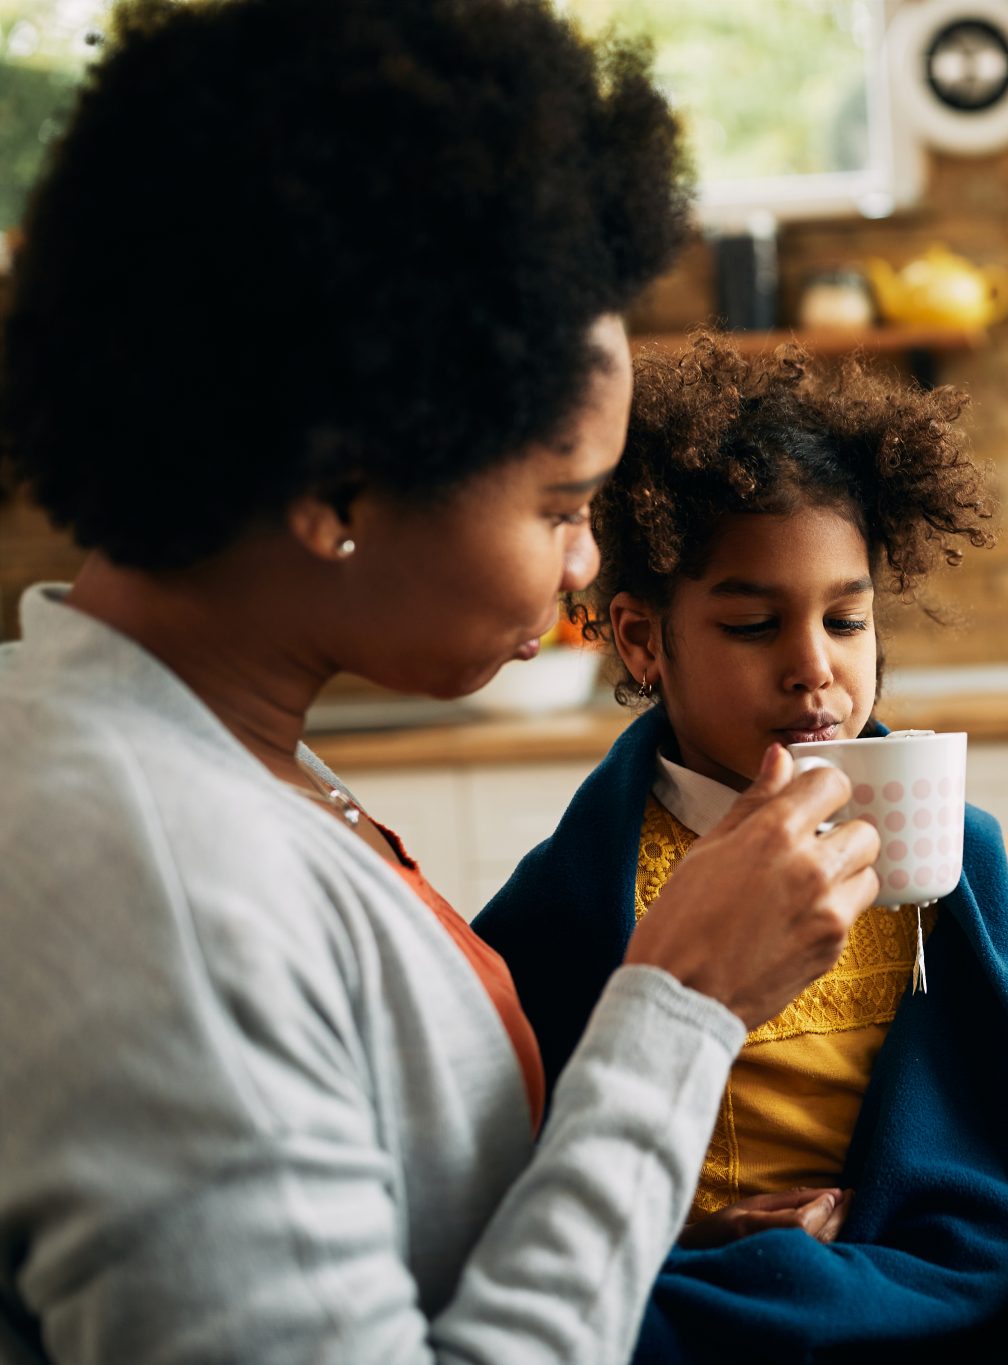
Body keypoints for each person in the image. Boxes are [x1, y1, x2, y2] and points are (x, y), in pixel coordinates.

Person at [0, 3, 879, 1361]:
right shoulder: (161, 877)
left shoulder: (204, 749)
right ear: (337, 479)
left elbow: (375, 1232)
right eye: (561, 504)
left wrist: (649, 1224)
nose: (588, 565)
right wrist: (684, 1010)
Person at [473, 335, 1008, 1363]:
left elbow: (1001, 1157)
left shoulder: (951, 853)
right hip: (716, 1280)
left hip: (910, 1260)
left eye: (846, 619)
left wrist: (873, 1234)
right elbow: (532, 1189)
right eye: (749, 625)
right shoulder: (578, 894)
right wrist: (692, 1240)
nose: (812, 670)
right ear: (643, 640)